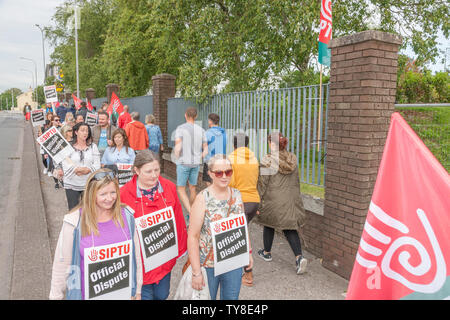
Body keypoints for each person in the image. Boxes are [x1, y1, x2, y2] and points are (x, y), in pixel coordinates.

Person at [49, 168, 143, 300]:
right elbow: (62, 264)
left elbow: (137, 257)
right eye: (103, 194)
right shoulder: (74, 222)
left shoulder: (127, 216)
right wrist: (55, 296)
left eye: (113, 192)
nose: (109, 198)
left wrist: (138, 290)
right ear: (92, 194)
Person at [120, 150, 187, 300]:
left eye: (156, 170)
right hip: (139, 264)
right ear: (136, 170)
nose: (154, 175)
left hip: (164, 259)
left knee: (162, 295)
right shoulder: (123, 194)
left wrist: (182, 247)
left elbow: (178, 218)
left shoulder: (169, 186)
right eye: (148, 171)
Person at [188, 154, 253, 300]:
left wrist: (248, 252)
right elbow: (193, 236)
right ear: (210, 173)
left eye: (228, 172)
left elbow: (242, 227)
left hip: (233, 260)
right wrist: (196, 272)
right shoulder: (202, 199)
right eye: (219, 172)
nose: (224, 176)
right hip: (208, 264)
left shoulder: (237, 195)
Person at [255, 132, 307, 275]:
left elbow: (262, 184)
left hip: (274, 199)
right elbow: (296, 181)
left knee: (269, 222)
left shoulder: (267, 160)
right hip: (290, 199)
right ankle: (299, 257)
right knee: (289, 227)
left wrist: (258, 202)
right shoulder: (292, 158)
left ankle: (267, 252)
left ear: (272, 144)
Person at [228, 133, 259, 286]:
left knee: (242, 237)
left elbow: (230, 183)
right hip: (254, 201)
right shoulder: (254, 158)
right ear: (247, 145)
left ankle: (248, 275)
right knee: (240, 233)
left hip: (239, 202)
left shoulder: (231, 159)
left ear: (234, 145)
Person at [173, 107, 208, 216]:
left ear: (185, 115)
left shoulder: (180, 129)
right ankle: (191, 211)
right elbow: (206, 149)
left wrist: (177, 156)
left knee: (181, 189)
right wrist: (199, 157)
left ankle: (190, 212)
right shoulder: (201, 130)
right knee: (193, 188)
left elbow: (178, 148)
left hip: (184, 162)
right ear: (196, 116)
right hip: (195, 163)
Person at [62, 122, 101, 211]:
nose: (85, 133)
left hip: (88, 183)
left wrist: (88, 170)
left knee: (88, 209)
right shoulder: (68, 146)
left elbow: (97, 163)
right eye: (82, 130)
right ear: (76, 132)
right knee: (73, 210)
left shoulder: (93, 147)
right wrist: (76, 170)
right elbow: (65, 163)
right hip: (71, 183)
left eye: (87, 131)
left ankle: (86, 225)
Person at [203, 113, 227, 186]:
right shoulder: (224, 133)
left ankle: (212, 197)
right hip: (221, 162)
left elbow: (204, 149)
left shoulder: (207, 133)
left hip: (209, 162)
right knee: (218, 184)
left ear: (210, 121)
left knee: (209, 185)